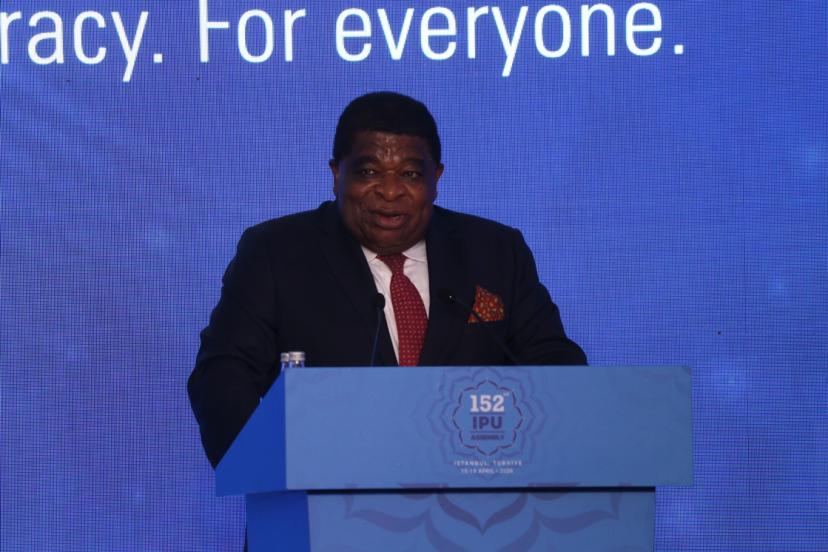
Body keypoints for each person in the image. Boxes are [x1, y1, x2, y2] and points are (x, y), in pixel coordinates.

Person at [188, 92, 586, 468]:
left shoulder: (495, 251)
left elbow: (554, 367)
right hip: (324, 500)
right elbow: (223, 375)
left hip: (477, 497)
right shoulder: (277, 252)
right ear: (336, 174)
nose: (391, 191)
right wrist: (268, 469)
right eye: (369, 172)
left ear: (436, 179)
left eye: (410, 174)